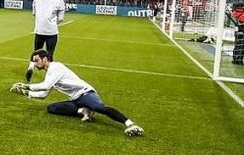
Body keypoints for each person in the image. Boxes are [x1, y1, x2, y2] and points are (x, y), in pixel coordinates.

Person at [10, 49, 144, 137]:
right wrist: (25, 93)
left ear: (45, 60)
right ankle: (83, 110)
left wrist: (26, 86)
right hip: (75, 99)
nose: (35, 63)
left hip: (85, 94)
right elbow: (44, 94)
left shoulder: (56, 67)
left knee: (99, 108)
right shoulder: (50, 72)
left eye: (36, 60)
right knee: (51, 108)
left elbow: (45, 86)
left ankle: (130, 124)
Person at [25, 0, 67, 82]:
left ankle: (31, 67)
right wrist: (52, 22)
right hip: (51, 31)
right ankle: (49, 76)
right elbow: (61, 19)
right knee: (50, 53)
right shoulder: (59, 0)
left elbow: (34, 13)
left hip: (39, 29)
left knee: (36, 51)